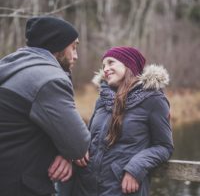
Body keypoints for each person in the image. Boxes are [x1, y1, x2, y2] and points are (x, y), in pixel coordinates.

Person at [0, 16, 90, 196]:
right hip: (22, 186)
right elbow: (78, 144)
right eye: (73, 47)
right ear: (57, 45)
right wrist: (69, 151)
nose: (76, 55)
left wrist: (64, 151)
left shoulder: (13, 67)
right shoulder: (48, 79)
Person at [72, 46, 174, 196]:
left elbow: (164, 147)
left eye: (111, 62)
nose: (105, 69)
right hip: (86, 187)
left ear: (129, 64)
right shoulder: (102, 99)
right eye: (103, 65)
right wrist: (79, 148)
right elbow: (90, 137)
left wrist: (136, 167)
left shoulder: (154, 100)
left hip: (122, 189)